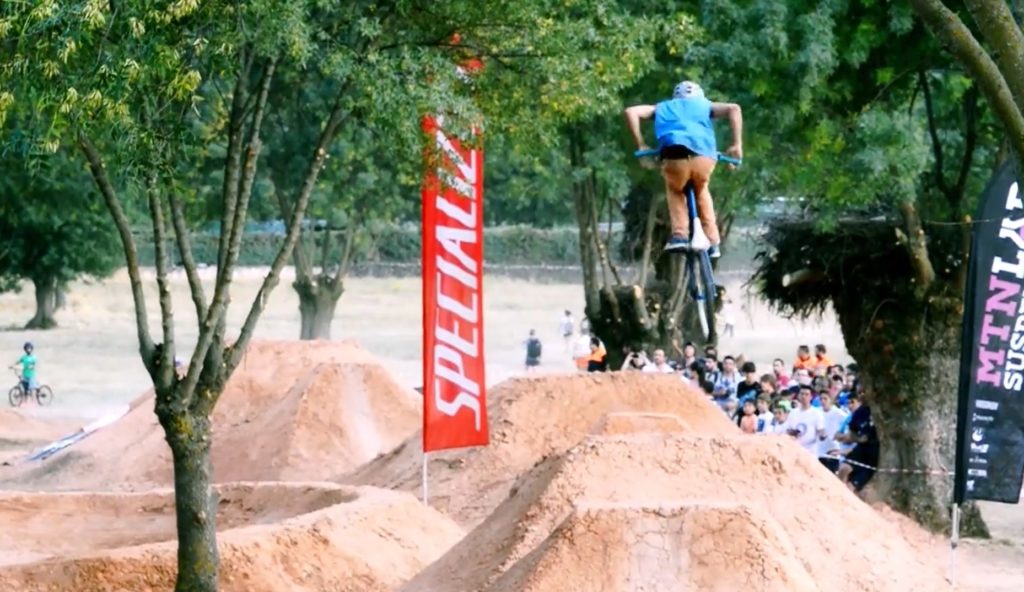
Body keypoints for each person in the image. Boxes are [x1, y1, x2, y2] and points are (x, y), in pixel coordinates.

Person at [623, 81, 743, 255]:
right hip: (704, 157)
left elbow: (631, 111)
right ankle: (713, 241)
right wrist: (737, 144)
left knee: (675, 190)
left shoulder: (662, 107)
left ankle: (680, 236)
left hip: (674, 157)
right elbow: (734, 109)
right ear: (699, 95)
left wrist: (641, 145)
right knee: (701, 189)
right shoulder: (705, 105)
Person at [787, 385, 825, 457]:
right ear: (798, 396)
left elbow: (820, 429)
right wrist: (793, 432)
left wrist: (822, 435)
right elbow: (789, 430)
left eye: (806, 394)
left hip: (810, 451)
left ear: (811, 397)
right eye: (802, 394)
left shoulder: (816, 413)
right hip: (795, 450)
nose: (804, 396)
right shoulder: (793, 412)